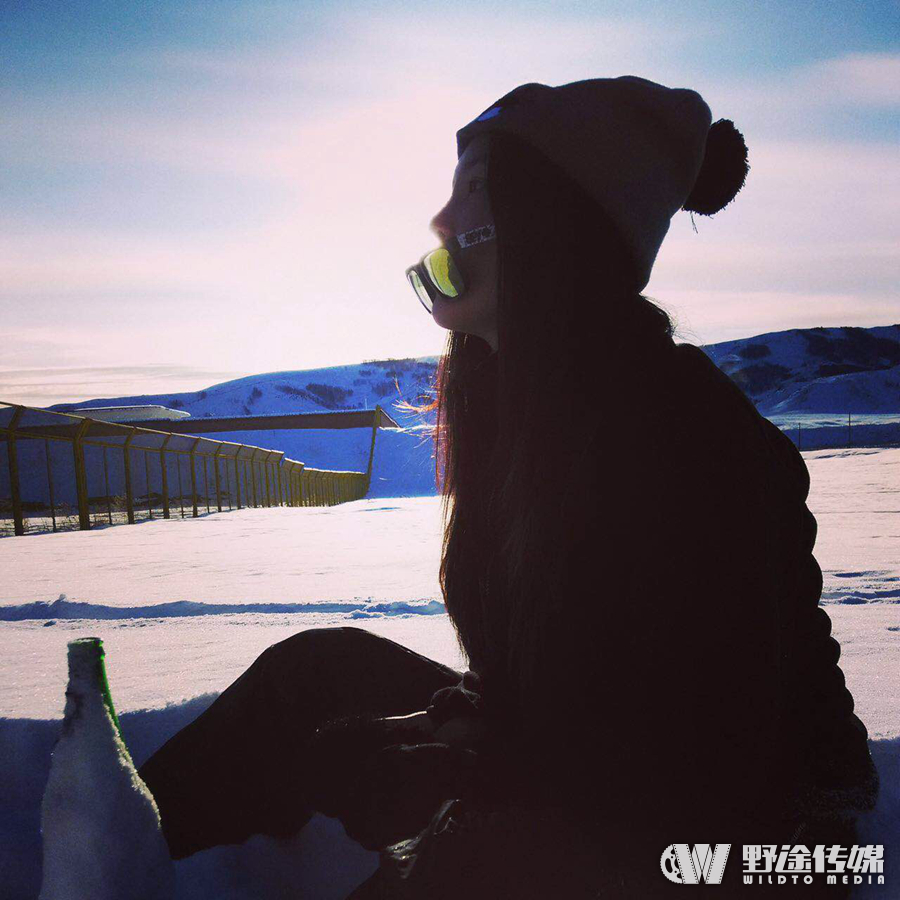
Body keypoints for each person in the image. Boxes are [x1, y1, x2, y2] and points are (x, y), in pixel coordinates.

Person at [138, 76, 880, 898]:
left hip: (746, 850)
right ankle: (98, 847)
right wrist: (445, 725)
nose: (441, 220)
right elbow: (576, 680)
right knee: (315, 675)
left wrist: (468, 770)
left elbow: (704, 755)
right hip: (614, 782)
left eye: (476, 190)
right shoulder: (533, 413)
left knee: (489, 855)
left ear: (553, 228)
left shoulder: (688, 443)